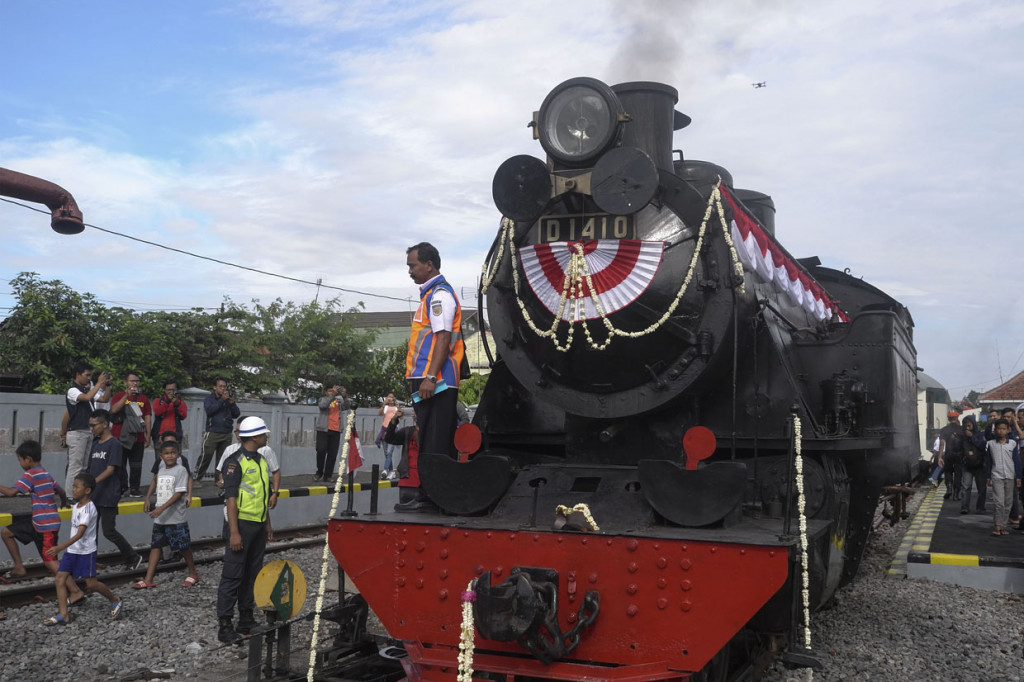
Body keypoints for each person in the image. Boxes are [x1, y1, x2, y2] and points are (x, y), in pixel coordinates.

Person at [0, 440, 86, 606]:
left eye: (20, 460)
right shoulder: (45, 473)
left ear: (28, 459)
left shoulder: (31, 474)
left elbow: (11, 493)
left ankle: (76, 591)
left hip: (45, 526)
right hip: (40, 523)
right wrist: (63, 502)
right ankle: (19, 567)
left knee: (50, 561)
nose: (20, 464)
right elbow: (60, 490)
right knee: (7, 532)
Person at [405, 242, 466, 460]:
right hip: (428, 379)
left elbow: (443, 337)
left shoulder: (439, 295)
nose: (410, 271)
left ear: (429, 265)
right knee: (428, 439)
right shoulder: (430, 295)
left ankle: (431, 493)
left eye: (413, 266)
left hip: (436, 381)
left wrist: (430, 377)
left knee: (435, 442)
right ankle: (427, 491)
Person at [216, 416, 274, 643]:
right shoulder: (234, 462)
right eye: (264, 434)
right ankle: (225, 625)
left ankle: (246, 618)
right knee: (232, 576)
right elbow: (230, 499)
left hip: (257, 526)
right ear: (255, 436)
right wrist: (234, 532)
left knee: (252, 575)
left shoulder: (261, 460)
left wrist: (268, 525)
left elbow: (263, 495)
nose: (266, 437)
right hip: (240, 526)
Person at [43, 472, 123, 626]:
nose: (73, 489)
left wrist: (60, 547)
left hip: (86, 551)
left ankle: (115, 600)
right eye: (73, 486)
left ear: (87, 491)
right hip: (72, 550)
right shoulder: (77, 506)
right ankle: (63, 615)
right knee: (60, 579)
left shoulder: (88, 509)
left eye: (76, 487)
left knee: (91, 584)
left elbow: (80, 534)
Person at [132, 440, 200, 589]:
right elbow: (155, 482)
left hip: (176, 517)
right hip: (160, 518)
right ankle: (148, 578)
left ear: (178, 455)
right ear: (161, 456)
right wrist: (148, 499)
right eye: (167, 453)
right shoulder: (161, 470)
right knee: (156, 546)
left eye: (173, 453)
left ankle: (193, 573)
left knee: (183, 547)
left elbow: (178, 493)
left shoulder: (180, 470)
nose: (170, 456)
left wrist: (161, 508)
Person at [87, 409, 143, 570]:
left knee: (108, 531)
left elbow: (111, 469)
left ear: (104, 425)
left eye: (94, 425)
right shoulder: (96, 444)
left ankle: (133, 557)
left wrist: (93, 482)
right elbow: (91, 467)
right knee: (91, 531)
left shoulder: (115, 444)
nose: (92, 428)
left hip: (109, 494)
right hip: (95, 494)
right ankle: (90, 561)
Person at [61, 361, 112, 492]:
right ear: (78, 374)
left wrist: (107, 385)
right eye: (87, 375)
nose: (89, 378)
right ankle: (70, 496)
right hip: (77, 432)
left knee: (84, 467)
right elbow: (86, 397)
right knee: (75, 466)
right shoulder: (72, 390)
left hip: (87, 432)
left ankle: (79, 493)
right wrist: (99, 383)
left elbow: (104, 399)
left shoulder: (87, 390)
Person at [216, 416, 282, 505]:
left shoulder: (263, 455)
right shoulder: (232, 454)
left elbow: (275, 472)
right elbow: (223, 474)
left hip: (259, 507)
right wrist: (223, 481)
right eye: (237, 431)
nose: (239, 434)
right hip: (241, 510)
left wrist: (275, 493)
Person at [110, 370, 153, 498]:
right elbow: (114, 410)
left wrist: (148, 434)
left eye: (137, 381)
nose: (135, 383)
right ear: (125, 382)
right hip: (120, 436)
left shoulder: (143, 398)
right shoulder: (118, 395)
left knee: (136, 464)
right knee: (120, 464)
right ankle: (122, 487)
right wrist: (126, 396)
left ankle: (135, 488)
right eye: (132, 381)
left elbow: (147, 417)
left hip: (138, 436)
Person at [383, 414, 436, 512]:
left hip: (425, 484)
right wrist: (393, 422)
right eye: (414, 412)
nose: (414, 414)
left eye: (418, 412)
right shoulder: (407, 431)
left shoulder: (432, 433)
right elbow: (389, 439)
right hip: (407, 481)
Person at [196, 377, 240, 484]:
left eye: (224, 386)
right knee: (206, 455)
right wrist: (222, 400)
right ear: (215, 388)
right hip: (213, 432)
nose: (223, 389)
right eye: (220, 386)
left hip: (226, 433)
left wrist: (233, 404)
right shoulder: (209, 399)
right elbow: (210, 411)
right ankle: (196, 478)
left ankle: (218, 479)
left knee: (223, 458)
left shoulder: (227, 400)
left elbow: (236, 414)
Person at [985, 418, 1021, 536]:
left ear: (1008, 430)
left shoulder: (1012, 443)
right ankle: (997, 526)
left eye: (1003, 429)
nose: (1001, 431)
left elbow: (1016, 461)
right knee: (999, 502)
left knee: (1008, 503)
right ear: (995, 430)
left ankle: (1003, 527)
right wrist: (988, 477)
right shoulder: (991, 444)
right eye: (999, 429)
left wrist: (1018, 477)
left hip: (1010, 476)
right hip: (997, 476)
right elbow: (989, 462)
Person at [314, 384, 351, 481]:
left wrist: (344, 396)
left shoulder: (338, 401)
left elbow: (347, 406)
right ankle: (319, 472)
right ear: (326, 392)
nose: (332, 392)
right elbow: (323, 406)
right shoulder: (323, 399)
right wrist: (332, 396)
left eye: (333, 391)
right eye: (330, 391)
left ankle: (328, 475)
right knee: (321, 450)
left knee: (332, 454)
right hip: (323, 429)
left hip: (336, 430)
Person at [151, 379, 187, 468]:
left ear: (176, 390)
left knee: (176, 462)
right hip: (160, 436)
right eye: (168, 390)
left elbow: (183, 415)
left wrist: (176, 404)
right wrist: (167, 402)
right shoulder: (158, 401)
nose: (171, 392)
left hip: (175, 437)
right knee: (160, 462)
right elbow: (158, 412)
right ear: (165, 390)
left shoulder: (180, 403)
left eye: (173, 390)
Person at [959, 416, 987, 514]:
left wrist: (972, 437)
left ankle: (980, 507)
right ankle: (964, 507)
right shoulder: (962, 436)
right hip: (967, 464)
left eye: (969, 422)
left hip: (979, 465)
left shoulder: (980, 434)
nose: (967, 425)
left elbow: (983, 445)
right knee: (966, 487)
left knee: (982, 488)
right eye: (965, 423)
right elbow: (956, 448)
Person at [934, 412, 964, 499]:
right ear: (957, 418)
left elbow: (942, 444)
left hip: (948, 454)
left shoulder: (944, 429)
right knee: (958, 474)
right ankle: (956, 495)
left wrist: (939, 457)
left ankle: (949, 489)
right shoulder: (962, 429)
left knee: (948, 472)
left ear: (948, 419)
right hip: (960, 454)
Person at [376, 393, 403, 479]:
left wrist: (398, 407)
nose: (391, 399)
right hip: (384, 431)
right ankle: (391, 472)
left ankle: (385, 470)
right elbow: (379, 413)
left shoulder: (396, 408)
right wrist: (384, 403)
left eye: (392, 397)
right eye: (389, 397)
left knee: (389, 452)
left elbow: (401, 417)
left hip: (393, 431)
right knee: (386, 453)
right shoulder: (386, 407)